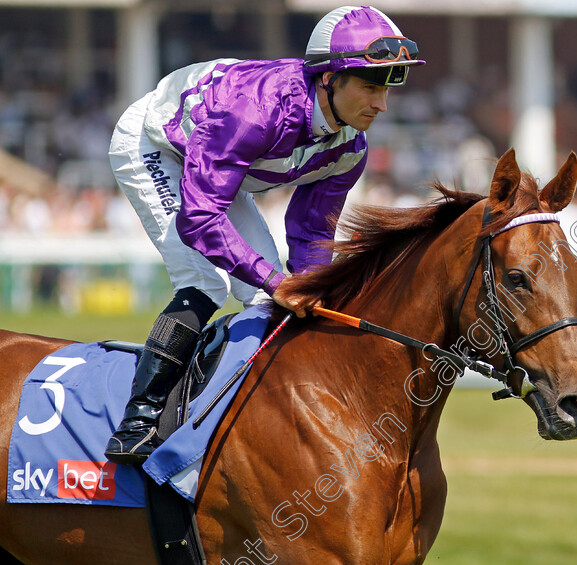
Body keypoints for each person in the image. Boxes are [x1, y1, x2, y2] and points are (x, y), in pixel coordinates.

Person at [105, 5, 425, 464]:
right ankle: (138, 421)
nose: (382, 104)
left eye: (389, 88)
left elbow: (312, 233)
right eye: (371, 87)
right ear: (328, 79)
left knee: (264, 300)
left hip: (218, 169)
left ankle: (245, 418)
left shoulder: (350, 147)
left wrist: (314, 292)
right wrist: (279, 283)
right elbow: (199, 220)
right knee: (207, 282)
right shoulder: (254, 111)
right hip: (157, 146)